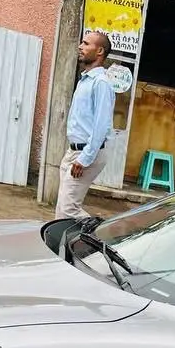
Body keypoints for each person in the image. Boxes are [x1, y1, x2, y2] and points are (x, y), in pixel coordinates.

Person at [55, 30, 116, 220]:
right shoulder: (85, 80)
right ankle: (62, 240)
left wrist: (85, 158)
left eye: (86, 43)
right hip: (73, 152)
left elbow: (101, 125)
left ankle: (101, 234)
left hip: (87, 153)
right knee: (62, 209)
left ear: (99, 51)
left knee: (69, 208)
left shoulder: (101, 83)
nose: (80, 47)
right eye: (82, 43)